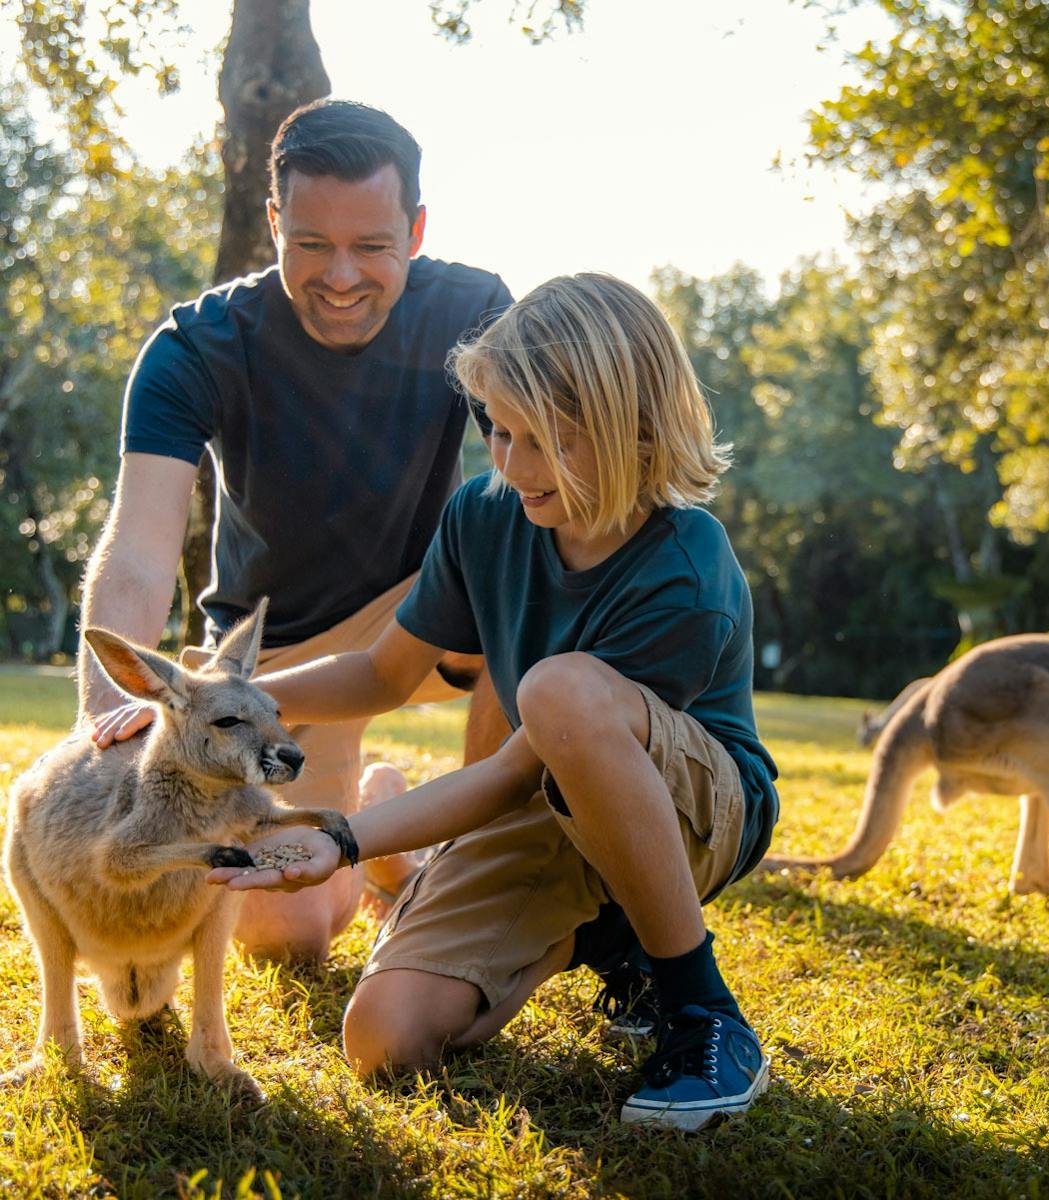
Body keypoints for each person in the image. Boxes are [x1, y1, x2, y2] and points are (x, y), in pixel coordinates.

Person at [207, 273, 781, 1131]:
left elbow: (513, 774)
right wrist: (226, 701)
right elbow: (382, 675)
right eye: (499, 432)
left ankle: (703, 1011)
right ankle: (605, 934)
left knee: (561, 690)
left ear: (632, 430)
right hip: (549, 799)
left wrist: (343, 838)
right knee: (384, 1038)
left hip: (698, 814)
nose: (510, 465)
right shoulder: (485, 514)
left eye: (543, 441)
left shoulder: (686, 568)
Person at [81, 99, 514, 962]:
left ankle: (478, 866)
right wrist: (107, 711)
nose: (341, 277)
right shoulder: (196, 347)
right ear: (275, 223)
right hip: (274, 659)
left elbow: (544, 482)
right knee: (291, 937)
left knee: (521, 551)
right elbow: (139, 549)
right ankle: (385, 822)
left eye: (372, 246)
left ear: (416, 231)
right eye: (312, 244)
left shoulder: (474, 311)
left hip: (426, 615)